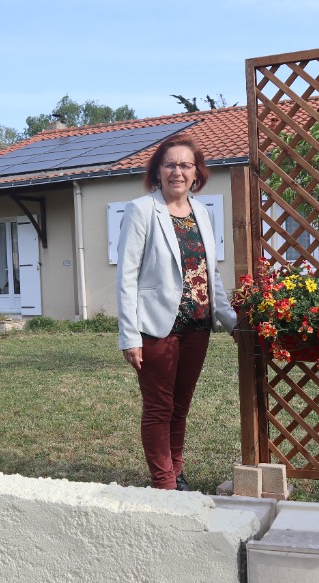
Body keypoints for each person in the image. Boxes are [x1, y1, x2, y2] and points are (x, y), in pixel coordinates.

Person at [116, 134, 237, 491]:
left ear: (197, 172)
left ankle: (176, 473)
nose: (177, 172)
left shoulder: (202, 212)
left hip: (197, 326)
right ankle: (164, 483)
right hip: (156, 327)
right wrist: (129, 335)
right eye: (169, 164)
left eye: (185, 165)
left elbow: (208, 272)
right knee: (158, 408)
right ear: (157, 170)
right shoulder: (141, 210)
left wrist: (230, 319)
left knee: (180, 407)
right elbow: (126, 276)